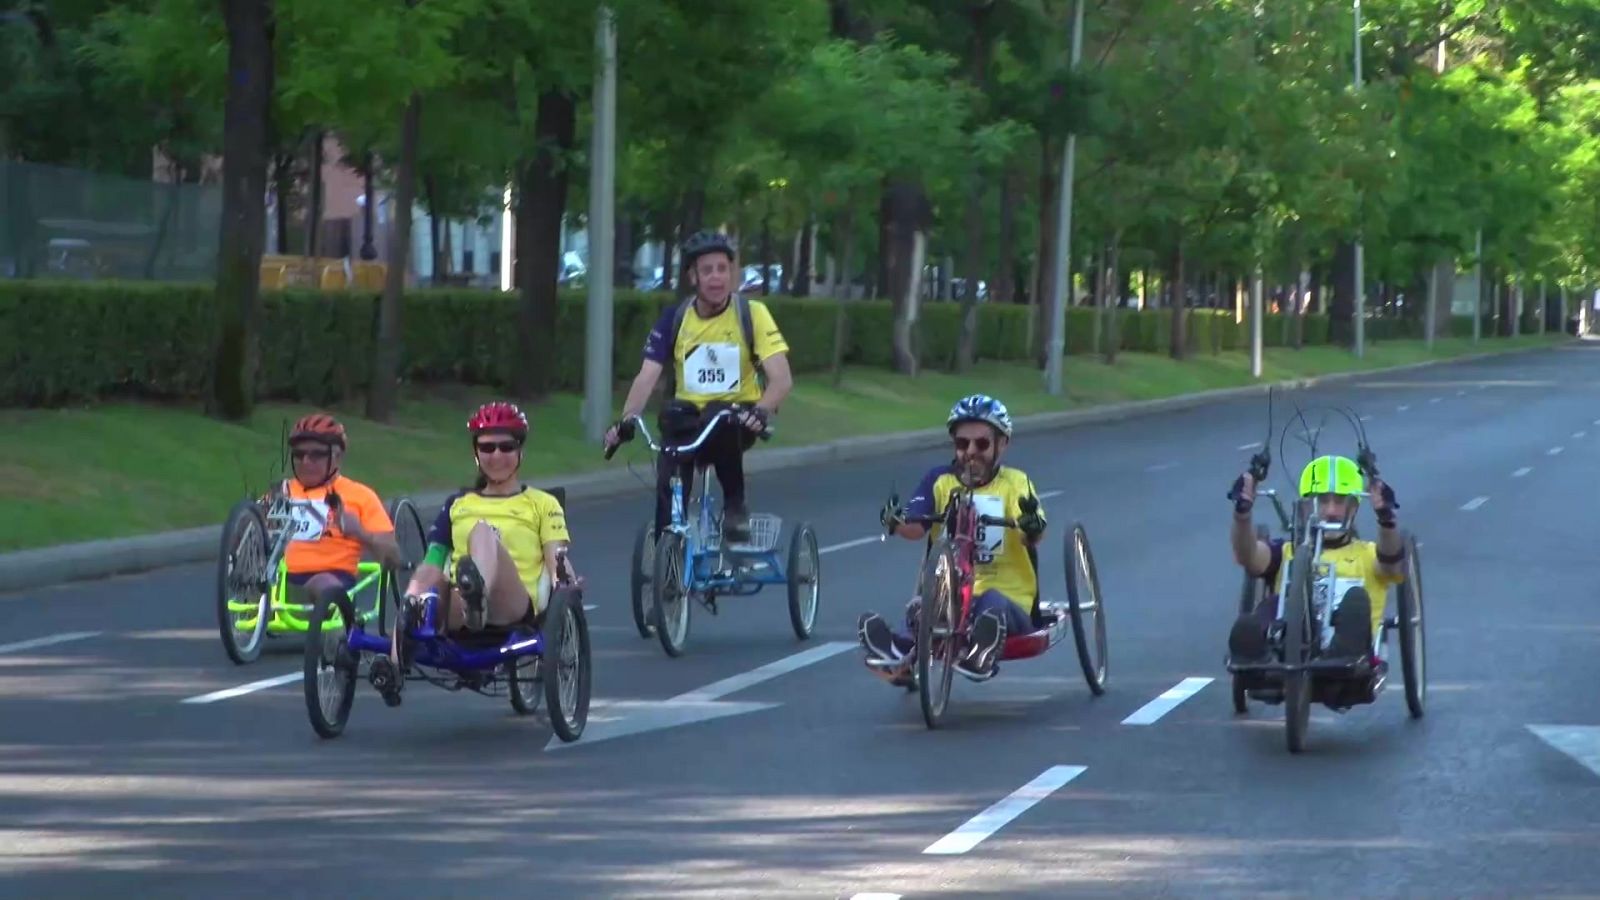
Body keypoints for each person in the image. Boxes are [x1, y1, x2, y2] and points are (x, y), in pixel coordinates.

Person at [602, 230, 794, 544]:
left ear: (732, 274)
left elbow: (781, 378)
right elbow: (647, 376)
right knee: (671, 422)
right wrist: (625, 421)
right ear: (694, 277)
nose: (716, 278)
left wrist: (760, 410)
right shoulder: (675, 319)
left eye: (723, 269)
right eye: (707, 271)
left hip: (737, 416)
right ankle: (667, 544)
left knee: (722, 415)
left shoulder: (752, 314)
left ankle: (735, 507)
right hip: (689, 417)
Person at [857, 395, 1047, 680]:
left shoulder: (1016, 482)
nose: (971, 452)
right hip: (950, 597)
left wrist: (1031, 525)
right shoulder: (939, 480)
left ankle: (980, 654)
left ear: (1002, 444)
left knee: (991, 603)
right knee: (923, 608)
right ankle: (897, 649)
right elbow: (916, 528)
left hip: (1009, 601)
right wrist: (895, 522)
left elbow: (1032, 537)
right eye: (962, 444)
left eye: (982, 444)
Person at [1228, 455, 1405, 692]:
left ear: (1354, 506)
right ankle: (1263, 664)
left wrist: (1386, 520)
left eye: (1340, 500)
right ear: (1306, 505)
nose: (1331, 511)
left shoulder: (1369, 553)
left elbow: (1392, 565)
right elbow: (1248, 556)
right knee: (1247, 624)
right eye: (1322, 500)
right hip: (1288, 649)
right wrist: (1242, 514)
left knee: (1356, 600)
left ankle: (1338, 658)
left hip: (1349, 660)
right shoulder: (1287, 551)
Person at [275, 413, 400, 601]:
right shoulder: (282, 492)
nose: (306, 462)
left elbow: (393, 558)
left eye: (316, 454)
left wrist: (360, 532)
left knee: (322, 583)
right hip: (283, 582)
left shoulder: (360, 495)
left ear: (337, 457)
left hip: (332, 580)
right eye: (299, 455)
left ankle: (332, 623)